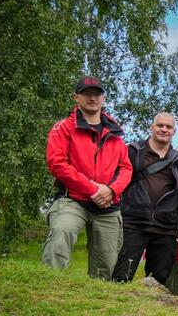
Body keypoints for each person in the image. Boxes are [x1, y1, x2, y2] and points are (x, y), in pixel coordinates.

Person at [42, 76, 132, 279]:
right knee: (61, 231)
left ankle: (95, 296)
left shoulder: (115, 133)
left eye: (97, 94)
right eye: (87, 93)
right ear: (76, 97)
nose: (92, 98)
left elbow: (126, 168)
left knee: (105, 264)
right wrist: (93, 189)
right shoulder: (64, 127)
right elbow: (57, 163)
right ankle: (50, 285)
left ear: (103, 98)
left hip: (108, 204)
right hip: (73, 199)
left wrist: (111, 190)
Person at [112, 112, 178, 285]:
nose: (164, 129)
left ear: (174, 131)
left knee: (158, 282)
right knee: (120, 277)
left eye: (168, 127)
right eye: (160, 125)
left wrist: (167, 214)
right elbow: (117, 182)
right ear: (152, 127)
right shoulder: (133, 152)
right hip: (133, 223)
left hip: (165, 228)